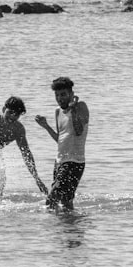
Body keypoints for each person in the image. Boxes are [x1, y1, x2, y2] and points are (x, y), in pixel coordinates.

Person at [0, 96, 49, 196]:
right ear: (3, 109)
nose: (12, 117)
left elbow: (26, 154)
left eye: (16, 115)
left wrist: (37, 179)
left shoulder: (18, 130)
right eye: (10, 112)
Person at [35, 76, 89, 211]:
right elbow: (60, 139)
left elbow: (78, 131)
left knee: (51, 199)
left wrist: (74, 109)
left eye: (63, 94)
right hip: (59, 161)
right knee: (66, 203)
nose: (60, 98)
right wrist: (46, 126)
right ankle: (69, 228)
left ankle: (52, 230)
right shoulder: (58, 111)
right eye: (57, 95)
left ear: (71, 94)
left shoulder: (81, 106)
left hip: (74, 162)